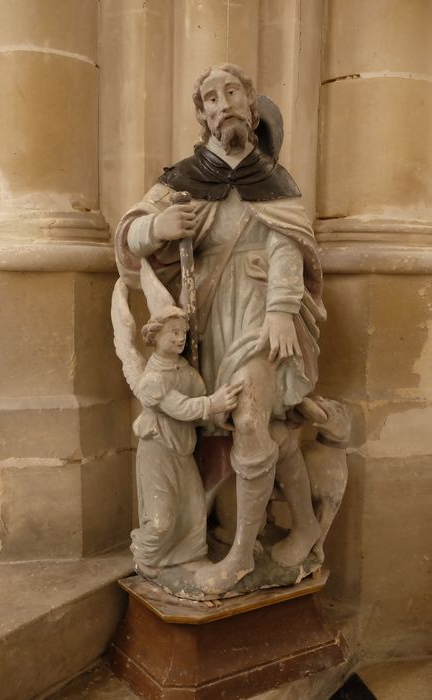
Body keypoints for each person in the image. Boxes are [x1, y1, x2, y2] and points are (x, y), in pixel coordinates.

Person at [116, 64, 326, 595]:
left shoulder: (275, 181)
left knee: (252, 420)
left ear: (251, 106)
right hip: (204, 320)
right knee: (250, 431)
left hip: (261, 319)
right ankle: (299, 526)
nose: (222, 104)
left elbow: (288, 245)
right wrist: (155, 228)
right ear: (203, 114)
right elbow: (133, 228)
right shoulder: (186, 176)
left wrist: (281, 307)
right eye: (211, 97)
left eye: (232, 93)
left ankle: (237, 559)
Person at [132, 304, 242, 578]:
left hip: (183, 449)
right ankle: (147, 555)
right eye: (173, 332)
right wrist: (212, 404)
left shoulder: (188, 372)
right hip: (158, 452)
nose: (180, 338)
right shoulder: (152, 380)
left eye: (183, 332)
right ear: (155, 337)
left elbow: (200, 412)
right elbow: (180, 407)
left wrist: (222, 413)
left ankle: (190, 556)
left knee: (194, 511)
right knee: (161, 520)